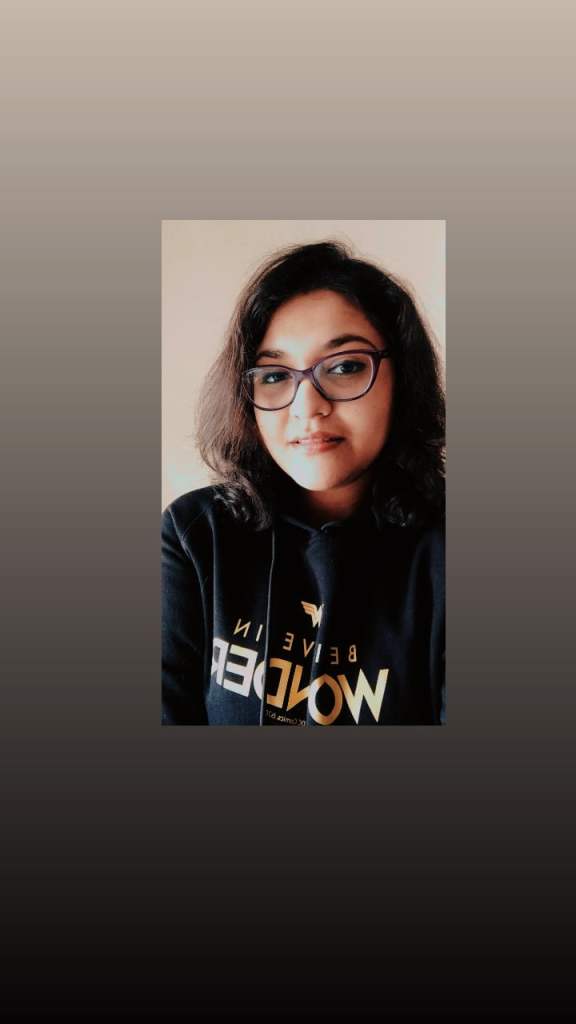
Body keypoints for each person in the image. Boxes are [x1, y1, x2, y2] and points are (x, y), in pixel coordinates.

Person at [162, 240, 445, 726]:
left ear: (402, 377)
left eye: (345, 367)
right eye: (274, 376)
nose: (307, 406)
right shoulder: (196, 536)